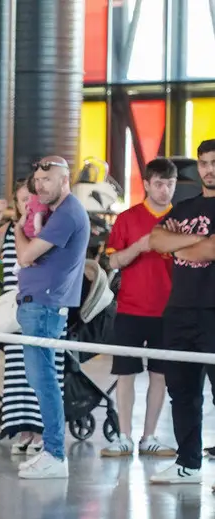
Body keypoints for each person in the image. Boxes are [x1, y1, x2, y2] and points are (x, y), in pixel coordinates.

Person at [13, 156, 90, 480]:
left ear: (64, 180)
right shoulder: (59, 213)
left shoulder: (68, 212)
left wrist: (18, 229)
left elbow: (25, 255)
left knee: (44, 382)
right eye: (38, 181)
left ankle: (55, 453)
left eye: (48, 180)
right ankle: (52, 451)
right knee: (40, 381)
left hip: (44, 307)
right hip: (38, 305)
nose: (41, 186)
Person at [0, 180, 63, 456]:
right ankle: (23, 429)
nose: (26, 204)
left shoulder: (47, 228)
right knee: (18, 372)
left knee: (43, 372)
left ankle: (42, 431)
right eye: (21, 200)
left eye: (30, 199)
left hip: (44, 304)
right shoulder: (11, 232)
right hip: (16, 310)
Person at [100, 157, 178, 458]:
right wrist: (140, 246)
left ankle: (149, 436)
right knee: (125, 374)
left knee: (160, 375)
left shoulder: (180, 220)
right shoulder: (127, 219)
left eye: (169, 184)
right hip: (131, 308)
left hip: (168, 311)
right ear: (146, 184)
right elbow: (113, 262)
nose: (164, 190)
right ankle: (123, 436)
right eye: (159, 184)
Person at [148, 140, 215, 485]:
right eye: (204, 163)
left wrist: (183, 244)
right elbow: (156, 240)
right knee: (182, 389)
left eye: (214, 163)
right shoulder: (185, 207)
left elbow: (211, 248)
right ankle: (188, 462)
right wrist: (193, 245)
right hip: (179, 310)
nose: (208, 169)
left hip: (212, 311)